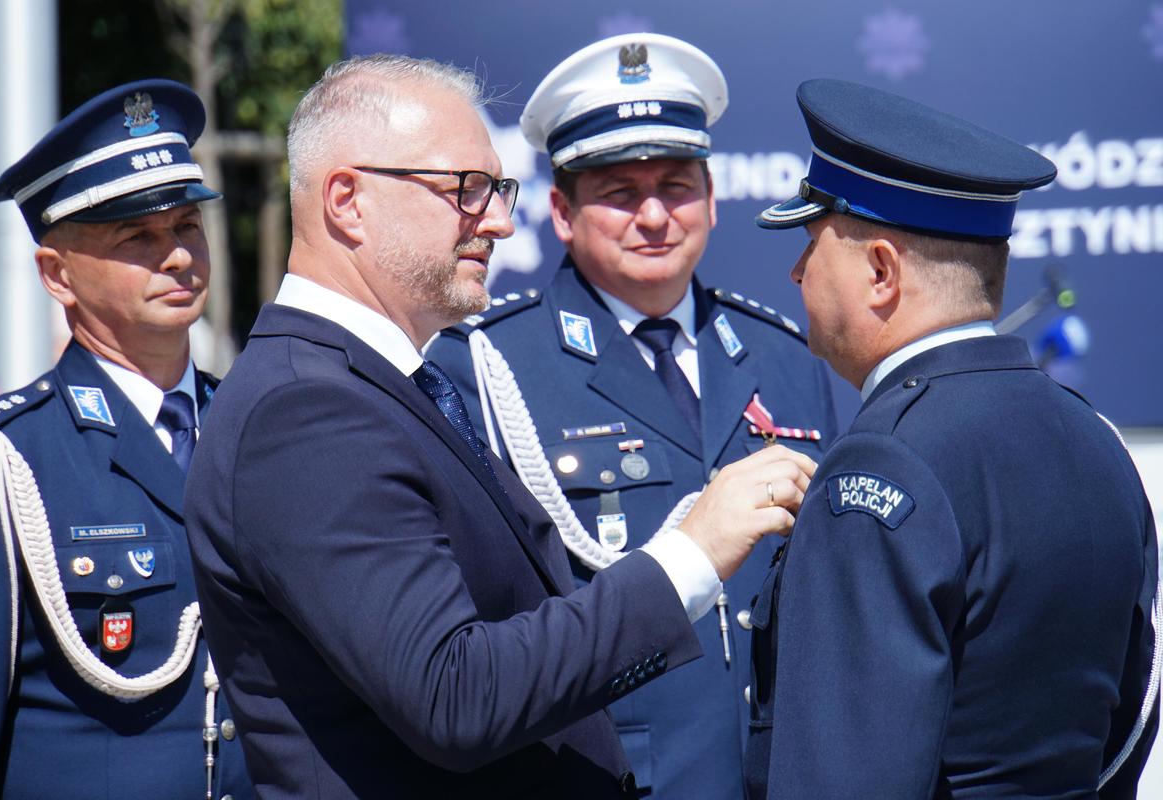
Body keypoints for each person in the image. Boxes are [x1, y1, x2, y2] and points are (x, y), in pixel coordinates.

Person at [182, 54, 816, 799]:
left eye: (499, 188)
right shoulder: (307, 412)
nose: (500, 220)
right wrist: (690, 554)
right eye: (465, 190)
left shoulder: (380, 385)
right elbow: (456, 697)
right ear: (348, 201)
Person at [425, 33, 838, 798]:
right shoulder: (487, 369)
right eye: (619, 192)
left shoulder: (788, 358)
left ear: (713, 198)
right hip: (605, 776)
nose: (654, 215)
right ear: (561, 211)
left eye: (677, 186)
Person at [745, 78, 1159, 799]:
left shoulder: (885, 463)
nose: (796, 271)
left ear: (880, 271)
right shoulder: (1094, 438)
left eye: (812, 244)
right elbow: (1131, 718)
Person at [0, 79, 253, 799]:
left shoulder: (256, 426)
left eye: (187, 226)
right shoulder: (1, 457)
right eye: (138, 237)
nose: (179, 256)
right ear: (57, 276)